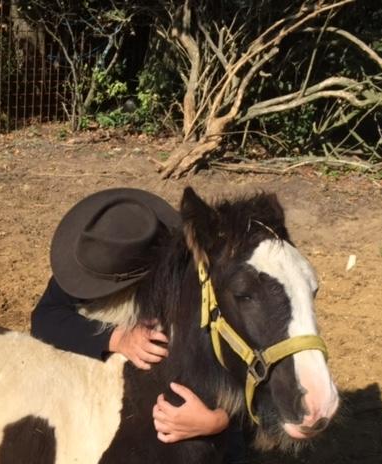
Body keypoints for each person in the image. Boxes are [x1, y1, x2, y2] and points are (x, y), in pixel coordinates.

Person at [30, 187, 231, 445]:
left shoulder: (194, 286)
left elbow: (239, 357)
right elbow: (45, 319)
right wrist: (116, 338)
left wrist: (217, 421)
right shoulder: (92, 260)